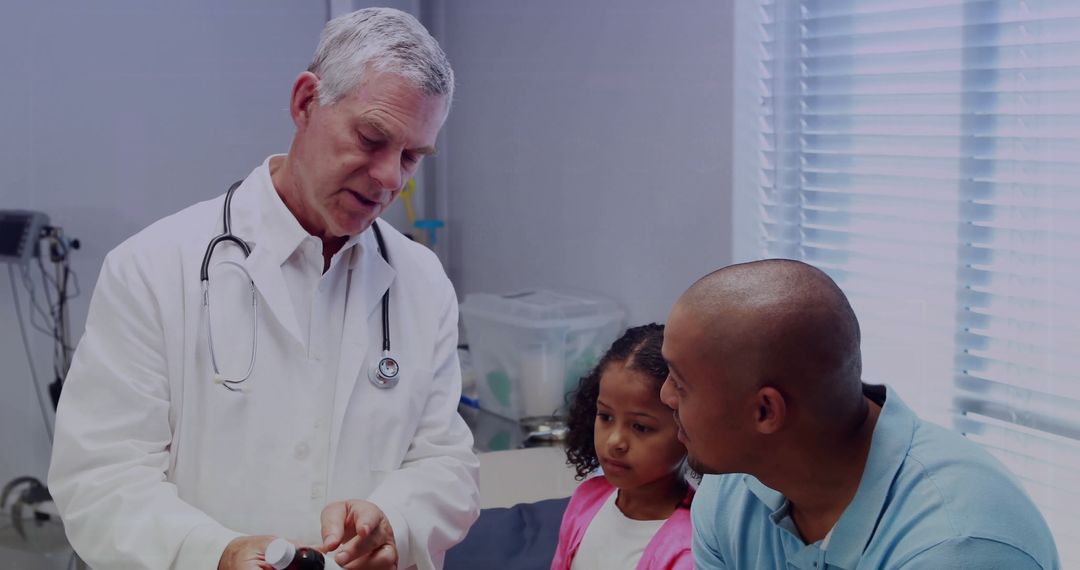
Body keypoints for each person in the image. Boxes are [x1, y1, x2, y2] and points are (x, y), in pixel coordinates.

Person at [47, 8, 478, 570]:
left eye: (412, 156)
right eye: (372, 139)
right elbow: (100, 476)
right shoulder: (153, 267)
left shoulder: (421, 282)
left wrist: (394, 520)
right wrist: (213, 554)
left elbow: (448, 464)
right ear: (305, 103)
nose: (390, 178)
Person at [659, 259, 1060, 569]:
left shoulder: (958, 547)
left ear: (765, 411)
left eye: (680, 384)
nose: (665, 397)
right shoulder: (731, 489)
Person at [552, 324, 694, 570]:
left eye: (640, 427)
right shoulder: (587, 499)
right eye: (605, 417)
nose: (615, 441)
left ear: (687, 428)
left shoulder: (688, 548)